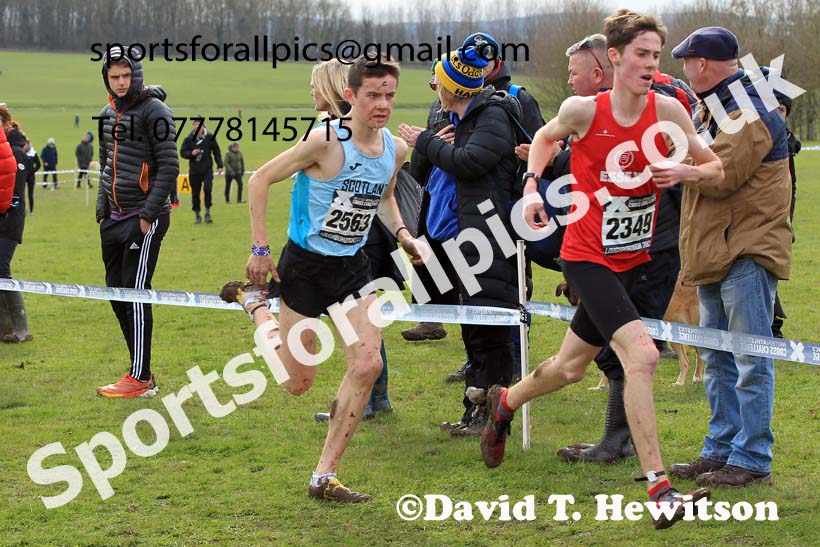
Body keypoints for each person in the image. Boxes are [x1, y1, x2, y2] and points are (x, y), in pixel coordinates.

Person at [479, 10, 723, 529]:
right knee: (643, 356)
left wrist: (684, 169)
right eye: (641, 54)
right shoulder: (583, 110)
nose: (650, 64)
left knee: (570, 368)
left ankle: (506, 402)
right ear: (614, 57)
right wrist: (531, 187)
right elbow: (544, 139)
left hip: (633, 259)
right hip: (587, 256)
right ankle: (661, 491)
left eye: (656, 55)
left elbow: (715, 166)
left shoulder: (668, 110)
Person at [220, 56, 423, 502]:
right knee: (298, 383)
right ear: (350, 95)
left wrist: (404, 235)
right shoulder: (325, 140)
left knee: (368, 364)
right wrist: (260, 249)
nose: (383, 104)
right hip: (306, 269)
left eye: (390, 95)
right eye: (373, 95)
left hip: (352, 269)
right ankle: (257, 307)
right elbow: (260, 180)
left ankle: (324, 476)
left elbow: (385, 198)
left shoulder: (395, 149)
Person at [555, 33, 699, 465]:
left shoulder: (661, 106)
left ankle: (619, 442)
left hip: (650, 245)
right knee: (582, 356)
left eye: (575, 73)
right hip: (605, 247)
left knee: (630, 346)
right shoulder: (590, 113)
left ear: (603, 69)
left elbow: (686, 160)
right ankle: (617, 439)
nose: (570, 81)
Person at [668, 27, 792, 488]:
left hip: (745, 249)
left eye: (687, 61)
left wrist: (676, 167)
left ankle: (752, 456)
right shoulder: (717, 107)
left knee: (749, 358)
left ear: (702, 64)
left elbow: (720, 177)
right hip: (716, 248)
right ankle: (720, 448)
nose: (685, 69)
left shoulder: (748, 110)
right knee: (716, 356)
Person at [398, 44, 522, 437]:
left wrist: (426, 141)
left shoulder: (493, 115)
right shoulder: (457, 118)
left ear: (451, 88)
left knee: (489, 332)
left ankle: (492, 415)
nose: (435, 89)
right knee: (472, 329)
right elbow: (427, 173)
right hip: (455, 237)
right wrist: (432, 144)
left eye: (437, 83)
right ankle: (474, 411)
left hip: (488, 238)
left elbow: (470, 163)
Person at [401, 30, 546, 350]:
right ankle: (436, 323)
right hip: (448, 204)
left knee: (503, 285)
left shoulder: (514, 100)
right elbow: (427, 159)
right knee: (458, 277)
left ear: (496, 61)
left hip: (497, 207)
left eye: (484, 57)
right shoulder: (442, 103)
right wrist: (428, 151)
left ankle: (512, 354)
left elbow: (535, 146)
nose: (478, 63)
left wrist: (527, 178)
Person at [302, 59, 397, 423]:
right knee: (366, 323)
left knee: (353, 324)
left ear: (328, 88)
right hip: (367, 234)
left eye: (315, 85)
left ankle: (366, 399)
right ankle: (378, 396)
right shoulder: (358, 127)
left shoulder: (332, 132)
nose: (311, 91)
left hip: (350, 240)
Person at [95, 46, 178, 397]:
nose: (121, 82)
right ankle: (140, 371)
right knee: (117, 294)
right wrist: (101, 212)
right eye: (114, 76)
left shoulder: (155, 111)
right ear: (106, 78)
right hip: (112, 219)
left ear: (136, 75)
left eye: (126, 75)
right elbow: (105, 164)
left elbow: (170, 166)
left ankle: (140, 377)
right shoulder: (106, 114)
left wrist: (147, 217)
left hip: (145, 216)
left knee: (135, 292)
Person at [0, 105, 32, 343]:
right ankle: (5, 328)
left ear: (6, 124)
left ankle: (21, 329)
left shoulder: (16, 152)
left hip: (10, 220)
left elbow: (15, 192)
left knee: (2, 268)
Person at [770, 94, 800, 338]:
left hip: (777, 220)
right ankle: (773, 325)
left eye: (782, 110)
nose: (778, 115)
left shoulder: (787, 144)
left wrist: (787, 222)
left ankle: (774, 327)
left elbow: (791, 188)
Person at [181, 117, 223, 224]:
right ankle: (197, 215)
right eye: (195, 124)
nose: (196, 126)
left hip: (207, 169)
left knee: (208, 189)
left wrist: (220, 165)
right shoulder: (189, 138)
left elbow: (216, 152)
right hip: (194, 170)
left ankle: (208, 212)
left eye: (198, 124)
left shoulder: (210, 137)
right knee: (195, 193)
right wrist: (191, 154)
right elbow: (182, 152)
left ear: (203, 125)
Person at [24, 139, 40, 216]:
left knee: (30, 194)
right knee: (21, 194)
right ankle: (23, 210)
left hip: (31, 177)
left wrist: (32, 171)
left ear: (28, 144)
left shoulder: (33, 153)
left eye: (26, 144)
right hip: (23, 176)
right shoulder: (22, 152)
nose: (25, 146)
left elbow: (38, 165)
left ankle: (31, 212)